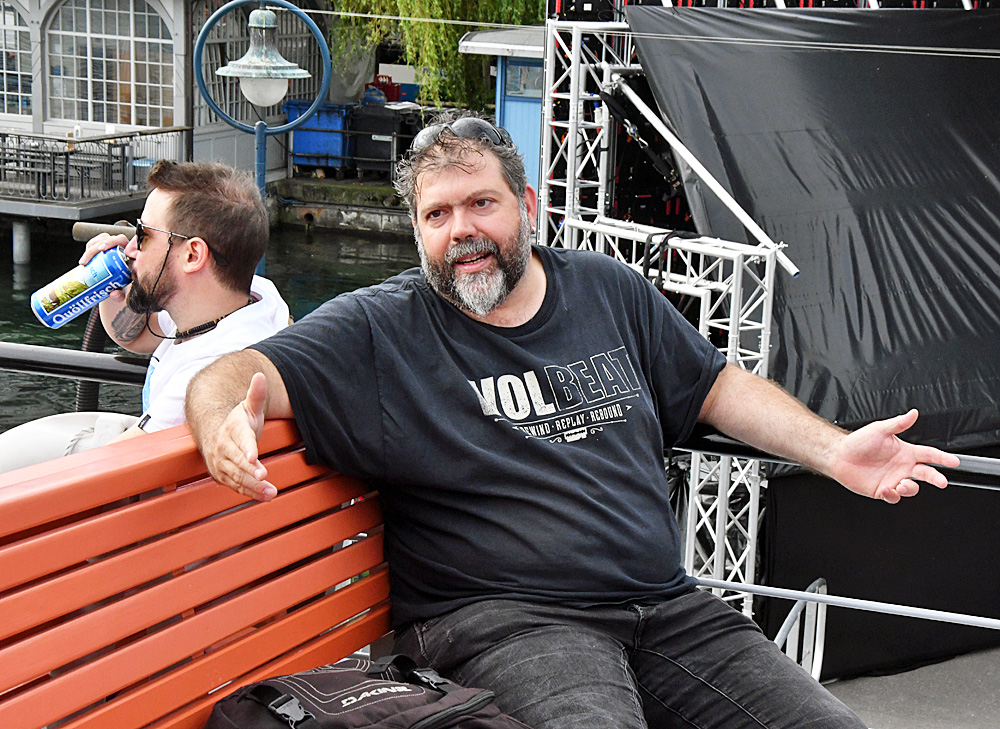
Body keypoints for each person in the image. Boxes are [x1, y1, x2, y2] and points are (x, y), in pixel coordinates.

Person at [184, 112, 959, 729]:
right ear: (417, 231)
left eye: (481, 203)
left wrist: (834, 451)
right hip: (507, 623)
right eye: (437, 214)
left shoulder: (606, 288)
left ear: (526, 207)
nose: (461, 230)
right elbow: (229, 372)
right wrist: (222, 422)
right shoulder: (381, 327)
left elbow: (716, 386)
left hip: (666, 606)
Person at [0, 160, 289, 472]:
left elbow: (102, 471)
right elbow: (136, 335)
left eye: (144, 234)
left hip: (134, 477)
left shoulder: (204, 376)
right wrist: (109, 285)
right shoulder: (253, 297)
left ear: (192, 255)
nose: (130, 248)